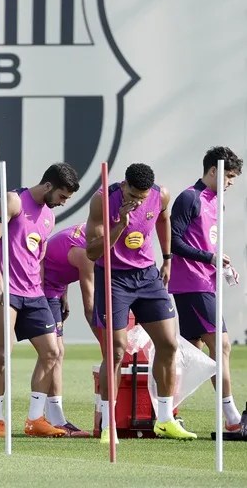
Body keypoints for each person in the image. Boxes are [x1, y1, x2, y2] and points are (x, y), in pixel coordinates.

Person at [86, 163, 195, 441]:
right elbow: (92, 252)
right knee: (116, 351)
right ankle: (109, 424)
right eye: (133, 195)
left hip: (147, 277)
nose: (137, 201)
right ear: (124, 185)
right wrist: (120, 224)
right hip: (113, 278)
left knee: (169, 344)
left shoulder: (162, 195)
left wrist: (168, 258)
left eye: (142, 197)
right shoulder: (102, 199)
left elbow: (163, 219)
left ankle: (165, 419)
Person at [0, 163, 79, 438]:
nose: (62, 203)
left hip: (36, 294)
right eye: (62, 196)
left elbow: (40, 258)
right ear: (48, 186)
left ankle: (35, 420)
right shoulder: (13, 200)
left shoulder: (49, 215)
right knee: (1, 356)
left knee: (52, 352)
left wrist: (60, 292)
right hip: (7, 291)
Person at [169, 146, 244, 431]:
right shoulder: (190, 198)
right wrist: (208, 258)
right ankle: (233, 419)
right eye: (229, 176)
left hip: (206, 280)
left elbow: (208, 243)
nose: (231, 183)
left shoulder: (217, 201)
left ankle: (167, 412)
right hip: (191, 282)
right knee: (221, 345)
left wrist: (221, 265)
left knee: (191, 353)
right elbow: (173, 242)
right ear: (213, 170)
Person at [41, 222, 96, 436]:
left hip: (54, 291)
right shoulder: (85, 251)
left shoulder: (93, 232)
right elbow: (90, 308)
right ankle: (54, 419)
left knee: (55, 352)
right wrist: (106, 343)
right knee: (54, 352)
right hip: (38, 290)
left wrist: (63, 291)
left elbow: (58, 259)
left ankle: (51, 416)